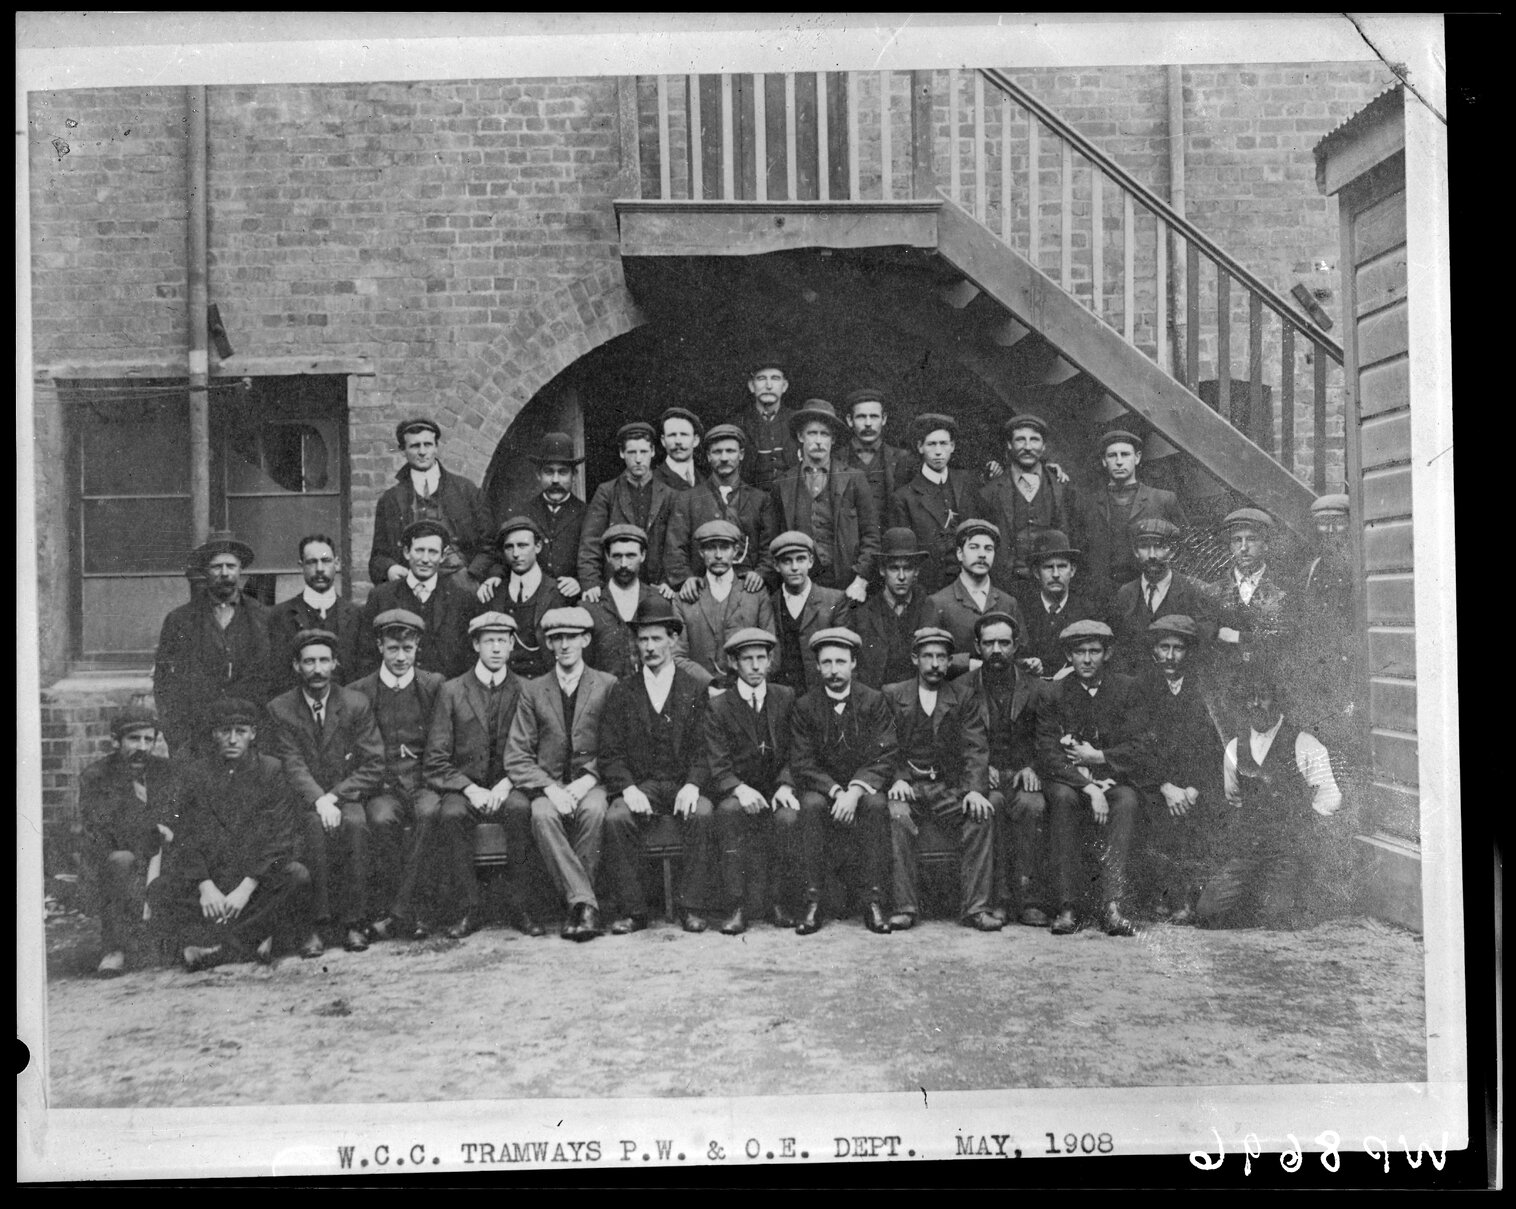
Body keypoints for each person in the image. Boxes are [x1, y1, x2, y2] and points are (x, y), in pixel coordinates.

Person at [147, 698, 313, 971]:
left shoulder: (271, 770)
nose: (233, 739)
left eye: (241, 731)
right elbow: (185, 833)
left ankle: (221, 948)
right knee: (159, 890)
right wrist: (204, 885)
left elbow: (280, 837)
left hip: (254, 877)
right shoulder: (196, 773)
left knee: (297, 877)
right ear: (215, 734)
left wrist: (246, 888)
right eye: (225, 731)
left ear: (253, 734)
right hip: (213, 875)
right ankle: (250, 941)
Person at [1195, 661, 1344, 928]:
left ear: (1276, 699)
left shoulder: (1304, 744)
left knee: (1275, 920)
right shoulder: (1233, 748)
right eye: (1249, 697)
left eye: (1262, 696)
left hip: (1288, 853)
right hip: (1249, 852)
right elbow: (1234, 798)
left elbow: (1330, 796)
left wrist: (1303, 825)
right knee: (1207, 910)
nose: (1255, 704)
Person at [265, 628, 386, 957]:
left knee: (357, 826)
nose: (317, 669)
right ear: (296, 666)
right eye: (308, 662)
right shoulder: (280, 709)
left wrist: (334, 797)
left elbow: (373, 764)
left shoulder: (355, 704)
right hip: (304, 800)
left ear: (335, 663)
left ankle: (353, 922)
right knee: (313, 830)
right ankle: (316, 926)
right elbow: (291, 763)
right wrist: (318, 800)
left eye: (323, 661)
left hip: (345, 797)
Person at [503, 606, 618, 942]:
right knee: (541, 814)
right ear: (549, 645)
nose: (564, 645)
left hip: (592, 780)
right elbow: (517, 755)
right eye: (556, 639)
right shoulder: (534, 690)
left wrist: (587, 780)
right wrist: (550, 789)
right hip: (549, 783)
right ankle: (585, 906)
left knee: (595, 811)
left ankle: (578, 907)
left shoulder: (607, 685)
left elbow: (615, 747)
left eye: (571, 637)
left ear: (585, 639)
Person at [600, 598, 714, 934]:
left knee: (703, 813)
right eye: (643, 639)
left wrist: (693, 784)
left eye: (656, 639)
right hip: (643, 784)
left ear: (672, 640)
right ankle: (634, 911)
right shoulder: (622, 691)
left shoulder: (695, 688)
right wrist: (628, 788)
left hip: (681, 783)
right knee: (618, 817)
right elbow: (610, 751)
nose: (649, 647)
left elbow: (705, 747)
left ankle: (691, 907)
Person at [1035, 619, 1151, 937]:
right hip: (1071, 781)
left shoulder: (1127, 689)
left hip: (1113, 780)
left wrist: (1100, 759)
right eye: (1079, 652)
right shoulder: (1053, 693)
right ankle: (1067, 905)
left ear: (1107, 654)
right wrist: (1087, 785)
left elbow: (1139, 747)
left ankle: (1112, 905)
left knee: (1127, 801)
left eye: (1094, 651)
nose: (1087, 659)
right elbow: (1048, 752)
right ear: (1068, 657)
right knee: (1062, 798)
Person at [882, 627, 1000, 932]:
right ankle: (905, 907)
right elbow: (884, 745)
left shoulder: (963, 696)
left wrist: (975, 791)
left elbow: (976, 748)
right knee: (897, 815)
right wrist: (897, 778)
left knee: (981, 815)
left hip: (950, 789)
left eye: (941, 658)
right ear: (915, 659)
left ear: (949, 662)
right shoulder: (894, 695)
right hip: (910, 788)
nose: (935, 664)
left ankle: (976, 908)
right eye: (928, 657)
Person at [423, 612, 532, 939]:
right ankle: (469, 907)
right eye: (489, 641)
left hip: (510, 782)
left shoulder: (526, 689)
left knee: (520, 810)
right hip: (465, 787)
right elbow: (435, 758)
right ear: (475, 644)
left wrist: (508, 781)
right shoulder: (452, 690)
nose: (496, 648)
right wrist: (470, 789)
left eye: (503, 640)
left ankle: (521, 906)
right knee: (452, 813)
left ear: (512, 645)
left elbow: (535, 749)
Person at [787, 627, 898, 935]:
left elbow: (885, 753)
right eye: (826, 663)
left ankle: (873, 901)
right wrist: (836, 791)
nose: (834, 670)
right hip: (825, 788)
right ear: (818, 667)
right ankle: (812, 901)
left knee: (876, 805)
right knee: (810, 806)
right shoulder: (805, 706)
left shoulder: (874, 701)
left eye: (840, 661)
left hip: (862, 786)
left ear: (853, 664)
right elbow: (802, 761)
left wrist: (855, 790)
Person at [346, 609, 446, 940]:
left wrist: (426, 780)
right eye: (393, 649)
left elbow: (440, 739)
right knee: (381, 819)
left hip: (422, 780)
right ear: (379, 647)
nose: (401, 657)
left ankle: (405, 913)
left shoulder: (433, 685)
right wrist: (380, 782)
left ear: (418, 647)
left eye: (408, 649)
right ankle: (399, 909)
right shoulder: (361, 691)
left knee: (430, 813)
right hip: (382, 785)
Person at [702, 628, 802, 933]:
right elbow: (717, 761)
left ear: (771, 660)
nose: (756, 666)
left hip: (774, 788)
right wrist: (739, 789)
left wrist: (786, 783)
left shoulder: (785, 697)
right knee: (729, 813)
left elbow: (797, 749)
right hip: (737, 789)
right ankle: (737, 906)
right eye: (748, 659)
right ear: (734, 663)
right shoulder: (720, 706)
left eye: (762, 658)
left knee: (788, 818)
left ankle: (778, 902)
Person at [77, 705, 178, 976]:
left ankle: (182, 941)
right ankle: (114, 948)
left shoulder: (167, 772)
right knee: (121, 860)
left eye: (149, 739)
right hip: (115, 860)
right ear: (115, 741)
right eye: (134, 739)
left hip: (160, 856)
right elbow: (103, 830)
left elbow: (178, 819)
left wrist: (166, 832)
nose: (142, 747)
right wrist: (151, 829)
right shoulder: (96, 777)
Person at [152, 531, 274, 756]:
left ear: (240, 570)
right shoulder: (180, 620)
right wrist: (178, 740)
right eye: (217, 567)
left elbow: (274, 681)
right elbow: (165, 685)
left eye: (231, 566)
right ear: (206, 571)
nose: (225, 573)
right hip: (198, 739)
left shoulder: (263, 618)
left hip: (250, 740)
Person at [1136, 615, 1225, 923]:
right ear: (1154, 650)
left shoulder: (1203, 691)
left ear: (1190, 652)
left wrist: (1192, 789)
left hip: (1193, 786)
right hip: (1155, 783)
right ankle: (1163, 895)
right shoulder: (1142, 689)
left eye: (1178, 648)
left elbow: (1213, 748)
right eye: (1164, 647)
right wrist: (1165, 786)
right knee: (1153, 810)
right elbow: (1138, 746)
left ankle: (1190, 897)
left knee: (1204, 814)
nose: (1171, 656)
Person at [965, 611, 1050, 927]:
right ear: (977, 646)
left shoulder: (1036, 688)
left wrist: (1034, 766)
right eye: (989, 643)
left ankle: (1029, 900)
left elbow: (1046, 735)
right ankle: (998, 900)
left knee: (1032, 804)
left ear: (1016, 646)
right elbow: (957, 740)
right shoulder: (964, 687)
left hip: (1019, 773)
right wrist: (975, 771)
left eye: (1004, 643)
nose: (996, 650)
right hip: (983, 775)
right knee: (993, 805)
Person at [769, 399, 881, 603]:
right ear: (800, 436)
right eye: (812, 433)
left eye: (825, 434)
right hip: (799, 585)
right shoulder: (782, 484)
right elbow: (772, 539)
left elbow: (871, 536)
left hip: (846, 585)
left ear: (833, 439)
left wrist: (861, 581)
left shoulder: (854, 478)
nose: (819, 441)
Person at [368, 417, 495, 589]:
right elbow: (378, 558)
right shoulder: (390, 500)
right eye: (414, 446)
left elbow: (490, 545)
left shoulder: (466, 491)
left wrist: (472, 575)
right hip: (411, 587)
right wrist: (390, 568)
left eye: (427, 444)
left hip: (460, 587)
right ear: (403, 450)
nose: (422, 452)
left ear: (436, 447)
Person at [663, 422, 780, 597]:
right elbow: (675, 548)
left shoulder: (761, 500)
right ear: (709, 456)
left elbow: (770, 547)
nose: (724, 458)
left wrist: (761, 573)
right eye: (717, 452)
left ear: (741, 455)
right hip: (700, 591)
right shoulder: (687, 499)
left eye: (730, 451)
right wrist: (685, 579)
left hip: (748, 591)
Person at [357, 519, 481, 679]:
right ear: (407, 552)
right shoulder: (381, 596)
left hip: (445, 696)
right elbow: (367, 655)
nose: (425, 559)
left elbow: (469, 657)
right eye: (419, 550)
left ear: (443, 556)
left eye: (433, 552)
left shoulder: (462, 598)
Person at [1081, 429, 1188, 602]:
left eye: (1125, 454)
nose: (1119, 462)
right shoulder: (1089, 503)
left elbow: (1186, 547)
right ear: (1103, 461)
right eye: (1112, 456)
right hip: (1102, 595)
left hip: (1149, 591)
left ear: (1137, 458)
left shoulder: (1163, 499)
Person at [578, 421, 679, 599]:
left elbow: (675, 545)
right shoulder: (607, 492)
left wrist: (669, 582)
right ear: (621, 453)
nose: (638, 459)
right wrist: (591, 583)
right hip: (616, 586)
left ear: (653, 452)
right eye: (632, 452)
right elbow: (590, 543)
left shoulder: (670, 495)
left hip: (657, 589)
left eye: (644, 452)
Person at [980, 414, 1084, 587]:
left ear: (1044, 446)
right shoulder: (990, 491)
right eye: (1020, 440)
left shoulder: (1062, 488)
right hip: (1007, 584)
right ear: (1009, 445)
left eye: (1034, 440)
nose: (1027, 447)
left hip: (1051, 584)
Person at [480, 431, 586, 600]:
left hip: (572, 601)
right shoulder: (521, 512)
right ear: (538, 475)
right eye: (549, 472)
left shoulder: (587, 514)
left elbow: (597, 560)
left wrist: (580, 582)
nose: (555, 480)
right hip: (531, 601)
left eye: (563, 472)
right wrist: (495, 576)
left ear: (574, 475)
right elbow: (502, 554)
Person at [888, 412, 987, 593]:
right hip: (929, 588)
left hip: (971, 583)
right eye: (931, 444)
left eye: (944, 444)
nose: (938, 451)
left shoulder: (968, 483)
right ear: (920, 447)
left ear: (953, 446)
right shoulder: (904, 497)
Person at [672, 520, 777, 689]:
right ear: (701, 552)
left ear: (736, 551)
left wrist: (744, 688)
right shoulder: (685, 597)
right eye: (711, 548)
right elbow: (676, 656)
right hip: (700, 693)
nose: (718, 555)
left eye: (725, 548)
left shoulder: (755, 594)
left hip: (746, 692)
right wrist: (708, 685)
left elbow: (772, 650)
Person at [1108, 517, 1217, 673]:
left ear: (1172, 551)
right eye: (1144, 547)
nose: (1152, 555)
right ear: (1135, 552)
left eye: (1159, 547)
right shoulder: (1125, 593)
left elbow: (1204, 646)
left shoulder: (1196, 591)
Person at [268, 534, 363, 692]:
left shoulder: (357, 615)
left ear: (337, 563)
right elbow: (278, 676)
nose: (319, 569)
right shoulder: (281, 615)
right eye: (312, 562)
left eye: (326, 561)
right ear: (301, 566)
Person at [852, 528, 945, 689]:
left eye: (907, 568)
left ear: (916, 571)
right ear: (882, 570)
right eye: (894, 568)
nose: (901, 576)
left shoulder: (929, 607)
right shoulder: (864, 613)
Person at [929, 519, 1025, 673]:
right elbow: (927, 657)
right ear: (960, 554)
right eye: (974, 548)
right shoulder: (938, 603)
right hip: (956, 692)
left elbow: (1020, 652)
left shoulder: (1008, 602)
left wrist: (1029, 662)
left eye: (988, 549)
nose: (982, 555)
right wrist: (967, 664)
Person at [478, 517, 567, 680]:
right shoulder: (494, 592)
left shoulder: (559, 592)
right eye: (509, 547)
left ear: (538, 546)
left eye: (523, 545)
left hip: (546, 684)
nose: (516, 554)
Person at [1010, 529, 1102, 679]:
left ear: (1072, 570)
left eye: (1062, 566)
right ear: (1036, 572)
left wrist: (1073, 671)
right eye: (1048, 567)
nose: (1055, 574)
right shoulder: (1022, 609)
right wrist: (1026, 664)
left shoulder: (1089, 611)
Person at [767, 531, 849, 694]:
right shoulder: (770, 603)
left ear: (811, 561)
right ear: (776, 566)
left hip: (822, 694)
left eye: (801, 559)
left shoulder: (834, 600)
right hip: (783, 695)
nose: (795, 567)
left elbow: (843, 653)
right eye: (787, 561)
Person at [583, 524, 664, 680]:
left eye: (631, 556)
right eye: (617, 556)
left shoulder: (657, 600)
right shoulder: (591, 605)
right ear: (607, 556)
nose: (624, 564)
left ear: (643, 555)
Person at [1212, 507, 1292, 661]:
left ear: (1266, 544)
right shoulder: (1215, 591)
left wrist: (1237, 636)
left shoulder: (1285, 589)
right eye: (1236, 540)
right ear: (1229, 546)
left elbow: (1285, 639)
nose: (1243, 548)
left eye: (1251, 539)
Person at [832, 386, 916, 517]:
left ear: (884, 419)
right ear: (849, 420)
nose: (868, 423)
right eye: (861, 417)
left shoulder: (903, 459)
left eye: (874, 416)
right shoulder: (835, 459)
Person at [731, 353, 799, 491]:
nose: (768, 385)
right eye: (761, 379)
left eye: (775, 379)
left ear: (784, 386)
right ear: (751, 386)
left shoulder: (797, 421)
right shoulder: (737, 424)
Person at [652, 406, 703, 492]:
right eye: (672, 435)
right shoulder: (653, 481)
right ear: (663, 441)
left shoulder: (705, 479)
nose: (678, 441)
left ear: (695, 440)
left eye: (684, 434)